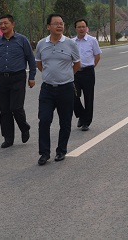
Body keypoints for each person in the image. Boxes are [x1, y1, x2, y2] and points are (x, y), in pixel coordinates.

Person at [0, 14, 36, 148]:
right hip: (3, 78)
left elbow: (31, 59)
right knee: (4, 110)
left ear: (13, 24)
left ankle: (24, 128)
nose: (3, 26)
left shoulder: (22, 40)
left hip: (18, 77)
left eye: (5, 23)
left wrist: (32, 77)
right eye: (1, 23)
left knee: (16, 108)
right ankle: (8, 138)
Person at [35, 13, 81, 165]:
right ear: (48, 26)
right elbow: (39, 63)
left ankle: (61, 150)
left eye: (61, 23)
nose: (59, 26)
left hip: (66, 88)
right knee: (44, 120)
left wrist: (65, 76)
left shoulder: (70, 44)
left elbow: (77, 64)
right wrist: (49, 75)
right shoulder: (41, 44)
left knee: (65, 121)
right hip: (47, 89)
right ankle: (44, 153)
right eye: (56, 23)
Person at [72, 19, 101, 131]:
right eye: (79, 27)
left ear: (86, 28)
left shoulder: (92, 40)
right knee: (73, 95)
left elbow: (97, 55)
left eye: (83, 27)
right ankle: (81, 114)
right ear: (75, 29)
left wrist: (92, 66)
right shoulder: (71, 42)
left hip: (88, 72)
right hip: (75, 72)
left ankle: (86, 122)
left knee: (88, 97)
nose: (81, 29)